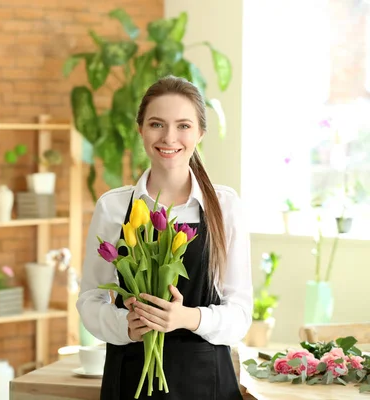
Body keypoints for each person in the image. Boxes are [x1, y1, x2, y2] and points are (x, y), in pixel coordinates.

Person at [76, 75, 252, 400]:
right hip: (129, 381)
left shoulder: (224, 206)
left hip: (207, 384)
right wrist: (126, 326)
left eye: (183, 125)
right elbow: (90, 300)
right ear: (140, 129)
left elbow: (240, 314)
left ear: (200, 133)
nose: (169, 137)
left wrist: (188, 317)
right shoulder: (113, 207)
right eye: (157, 124)